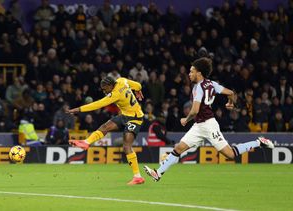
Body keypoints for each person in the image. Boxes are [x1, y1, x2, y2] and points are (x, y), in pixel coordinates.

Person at [144, 57, 274, 182]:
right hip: (199, 125)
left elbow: (194, 110)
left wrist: (186, 119)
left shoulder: (198, 88)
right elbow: (231, 93)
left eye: (191, 71)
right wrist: (230, 103)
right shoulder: (212, 84)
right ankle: (158, 173)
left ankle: (259, 142)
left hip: (209, 125)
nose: (189, 74)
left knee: (230, 154)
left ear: (199, 73)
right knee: (179, 148)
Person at [67, 76, 145, 185]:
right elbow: (138, 85)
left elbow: (97, 104)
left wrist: (78, 109)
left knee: (127, 146)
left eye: (105, 89)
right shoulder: (122, 80)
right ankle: (86, 142)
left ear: (110, 86)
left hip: (135, 118)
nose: (104, 91)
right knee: (105, 127)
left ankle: (138, 177)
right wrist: (138, 90)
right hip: (124, 115)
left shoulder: (114, 95)